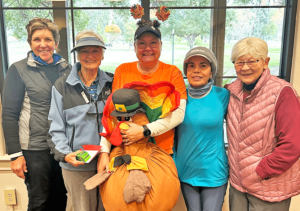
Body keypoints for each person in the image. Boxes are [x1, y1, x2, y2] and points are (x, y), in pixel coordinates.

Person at [97, 20, 187, 172]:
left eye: (153, 43)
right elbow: (111, 114)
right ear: (134, 46)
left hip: (162, 151)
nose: (148, 49)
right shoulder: (123, 71)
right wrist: (104, 151)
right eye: (142, 43)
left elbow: (178, 115)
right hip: (127, 150)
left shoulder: (173, 73)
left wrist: (144, 130)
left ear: (161, 45)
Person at [2, 17, 71, 211]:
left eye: (48, 39)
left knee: (61, 198)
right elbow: (9, 114)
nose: (43, 44)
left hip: (61, 146)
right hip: (34, 149)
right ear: (30, 43)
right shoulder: (18, 70)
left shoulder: (67, 69)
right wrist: (15, 155)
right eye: (37, 39)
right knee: (40, 201)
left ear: (55, 43)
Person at [226, 37, 300, 211]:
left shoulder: (283, 93)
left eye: (252, 61)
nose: (245, 67)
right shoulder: (232, 91)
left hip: (269, 186)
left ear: (266, 62)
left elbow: (292, 145)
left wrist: (261, 171)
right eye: (239, 62)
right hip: (238, 185)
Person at [47, 30, 113, 211]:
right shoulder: (62, 86)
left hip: (108, 161)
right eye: (84, 51)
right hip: (77, 164)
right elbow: (55, 128)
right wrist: (66, 154)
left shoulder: (113, 82)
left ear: (102, 54)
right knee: (81, 208)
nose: (90, 56)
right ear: (77, 55)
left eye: (95, 51)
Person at [174, 47, 229, 211]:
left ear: (211, 72)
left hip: (214, 171)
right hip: (186, 170)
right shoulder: (179, 97)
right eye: (191, 65)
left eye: (203, 65)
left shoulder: (224, 95)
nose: (196, 70)